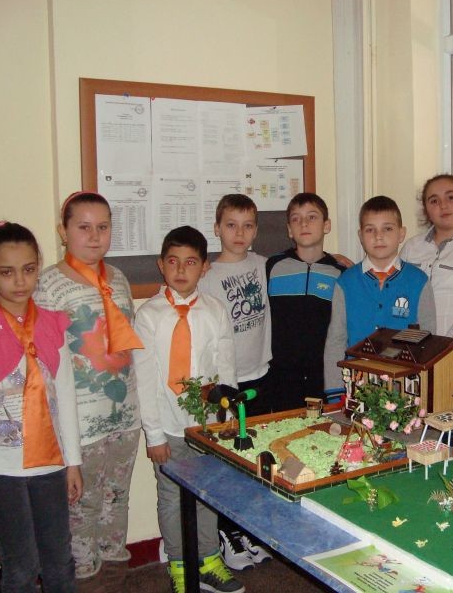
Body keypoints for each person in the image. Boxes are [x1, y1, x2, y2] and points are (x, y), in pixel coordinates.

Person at [0, 221, 82, 592]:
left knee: (60, 562)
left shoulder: (52, 324)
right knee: (21, 567)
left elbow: (65, 397)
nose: (20, 281)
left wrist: (73, 462)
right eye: (7, 272)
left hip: (50, 463)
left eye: (29, 269)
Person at [34, 191, 142, 582]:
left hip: (124, 416)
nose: (94, 236)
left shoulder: (119, 279)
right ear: (63, 232)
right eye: (83, 227)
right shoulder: (48, 286)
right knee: (81, 509)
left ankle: (114, 574)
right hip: (78, 425)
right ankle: (83, 577)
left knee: (116, 503)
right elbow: (43, 363)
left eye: (102, 227)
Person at [133, 226, 245, 593]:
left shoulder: (215, 311)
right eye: (173, 261)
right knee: (170, 497)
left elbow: (226, 369)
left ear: (204, 267)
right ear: (161, 265)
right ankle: (180, 565)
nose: (181, 270)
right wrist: (153, 435)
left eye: (191, 262)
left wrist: (228, 420)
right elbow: (145, 379)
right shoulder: (148, 316)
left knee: (208, 494)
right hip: (167, 426)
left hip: (208, 427)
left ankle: (209, 560)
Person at [197, 193, 272, 570]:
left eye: (247, 226)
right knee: (229, 462)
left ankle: (248, 528)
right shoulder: (207, 276)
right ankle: (226, 532)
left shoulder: (264, 264)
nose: (239, 233)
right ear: (217, 229)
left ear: (256, 231)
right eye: (231, 225)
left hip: (262, 375)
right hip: (229, 384)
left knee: (256, 458)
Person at [323, 195, 437, 393]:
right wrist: (335, 391)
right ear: (360, 236)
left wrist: (423, 390)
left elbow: (428, 341)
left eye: (387, 228)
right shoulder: (346, 282)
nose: (379, 236)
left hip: (403, 388)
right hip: (356, 386)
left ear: (401, 234)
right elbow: (336, 341)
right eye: (370, 230)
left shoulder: (419, 281)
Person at [266, 193, 346, 409]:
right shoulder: (273, 267)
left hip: (322, 376)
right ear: (289, 230)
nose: (304, 223)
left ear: (326, 225)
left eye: (312, 217)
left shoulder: (340, 273)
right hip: (281, 377)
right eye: (296, 219)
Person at [400, 174, 453, 342]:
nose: (443, 205)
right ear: (426, 211)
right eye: (434, 201)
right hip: (411, 349)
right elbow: (397, 298)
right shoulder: (411, 247)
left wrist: (443, 351)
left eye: (451, 197)